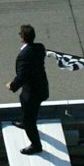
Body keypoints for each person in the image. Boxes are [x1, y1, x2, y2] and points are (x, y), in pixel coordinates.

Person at [7, 24, 49, 154]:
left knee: (29, 120)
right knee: (31, 112)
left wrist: (12, 86)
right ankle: (25, 123)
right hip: (42, 88)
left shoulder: (23, 55)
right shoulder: (40, 47)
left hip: (31, 93)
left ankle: (36, 146)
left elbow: (22, 76)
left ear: (23, 38)